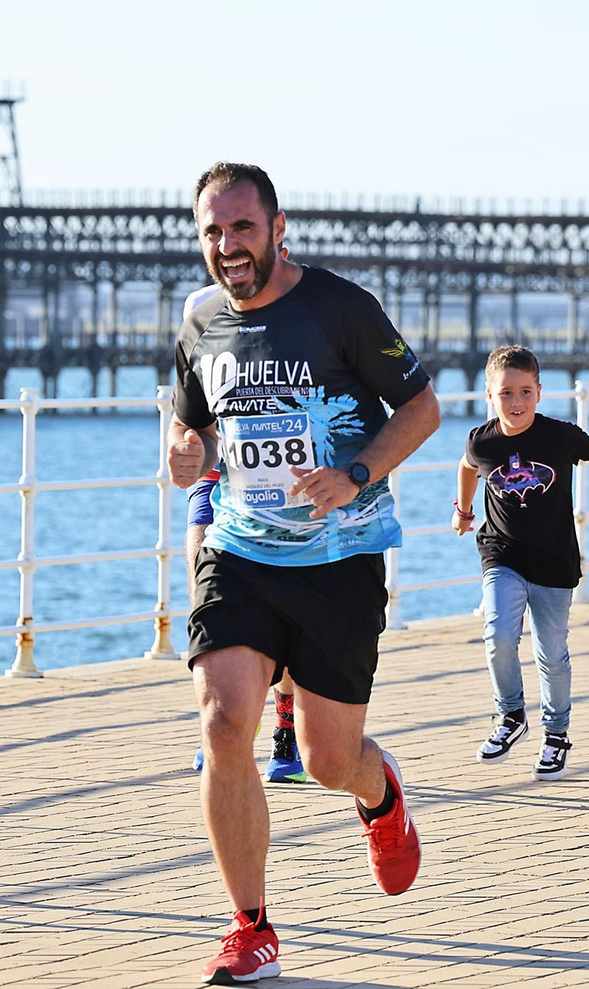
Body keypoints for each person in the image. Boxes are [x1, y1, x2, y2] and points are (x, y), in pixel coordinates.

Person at [168, 162, 440, 985]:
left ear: (278, 229)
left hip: (338, 558)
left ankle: (378, 791)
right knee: (224, 725)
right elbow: (193, 430)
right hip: (240, 551)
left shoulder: (339, 308)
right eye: (213, 231)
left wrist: (356, 473)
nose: (228, 245)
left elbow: (422, 408)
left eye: (242, 228)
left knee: (327, 759)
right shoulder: (200, 320)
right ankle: (250, 928)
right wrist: (186, 455)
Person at [453, 346, 589, 780]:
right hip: (502, 553)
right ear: (489, 395)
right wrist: (463, 509)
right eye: (506, 393)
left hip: (554, 559)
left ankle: (556, 734)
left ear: (539, 391)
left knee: (551, 654)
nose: (516, 402)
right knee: (498, 634)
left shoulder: (560, 436)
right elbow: (467, 465)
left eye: (525, 392)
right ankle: (510, 714)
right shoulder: (482, 441)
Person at [182, 282, 304, 785]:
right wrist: (185, 446)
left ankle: (286, 730)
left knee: (285, 608)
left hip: (275, 473)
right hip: (217, 471)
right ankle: (223, 723)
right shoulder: (199, 307)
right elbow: (187, 407)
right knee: (207, 597)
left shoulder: (295, 304)